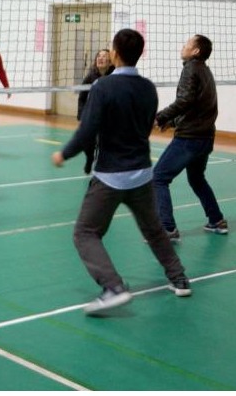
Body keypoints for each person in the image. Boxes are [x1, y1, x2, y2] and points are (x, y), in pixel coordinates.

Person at [51, 28, 192, 315]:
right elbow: (146, 125)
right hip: (142, 174)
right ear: (140, 54)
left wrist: (64, 153)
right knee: (154, 231)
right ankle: (179, 279)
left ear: (115, 53)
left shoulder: (103, 87)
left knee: (85, 232)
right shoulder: (148, 88)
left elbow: (88, 130)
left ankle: (113, 287)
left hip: (110, 176)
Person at [152, 34, 227, 242]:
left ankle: (167, 229)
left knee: (158, 178)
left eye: (187, 44)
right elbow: (196, 106)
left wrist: (161, 117)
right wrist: (172, 122)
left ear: (195, 51)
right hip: (205, 137)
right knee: (196, 178)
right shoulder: (204, 70)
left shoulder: (191, 68)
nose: (183, 46)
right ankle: (217, 220)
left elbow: (184, 100)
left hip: (190, 138)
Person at [77, 49, 114, 175]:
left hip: (110, 116)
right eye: (99, 56)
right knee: (87, 141)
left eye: (104, 56)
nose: (100, 58)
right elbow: (82, 98)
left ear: (110, 62)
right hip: (93, 114)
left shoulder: (114, 76)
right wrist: (81, 116)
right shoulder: (90, 76)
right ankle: (89, 158)